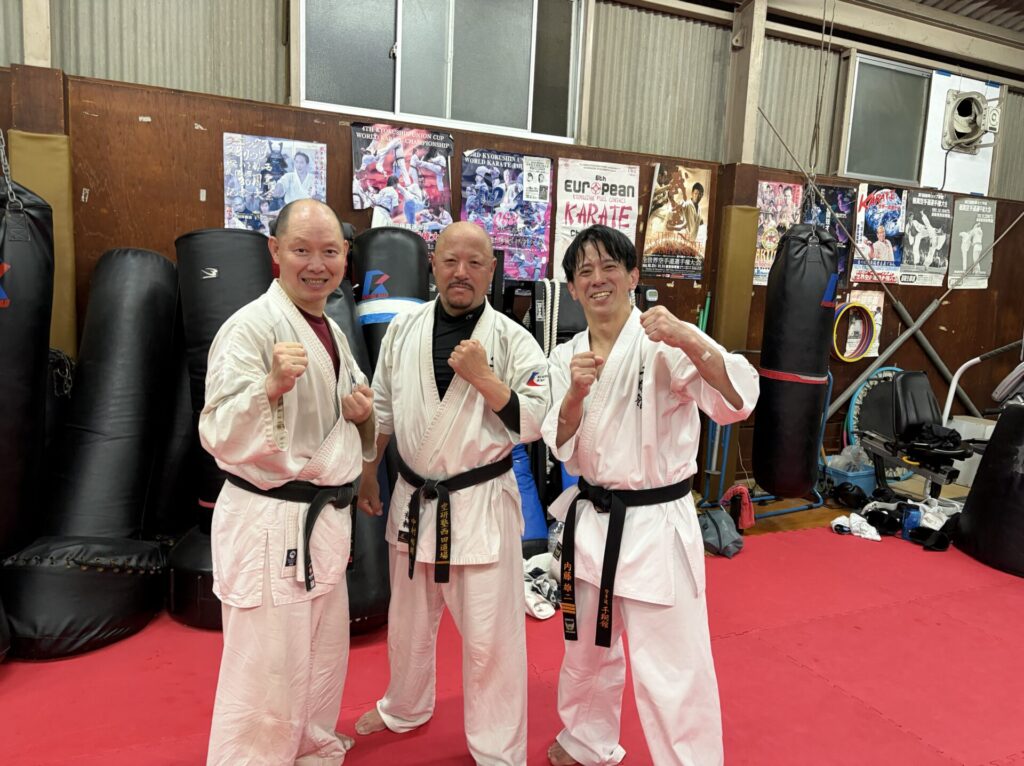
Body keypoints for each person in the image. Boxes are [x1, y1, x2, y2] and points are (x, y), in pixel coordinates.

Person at [542, 225, 758, 766]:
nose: (598, 279)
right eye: (585, 271)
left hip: (657, 524)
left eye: (609, 267)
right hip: (592, 521)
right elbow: (558, 442)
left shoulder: (664, 344)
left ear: (633, 276)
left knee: (673, 666)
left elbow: (735, 401)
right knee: (586, 650)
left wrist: (689, 337)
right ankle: (586, 740)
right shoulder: (565, 356)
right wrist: (575, 394)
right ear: (572, 288)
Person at [353, 221, 550, 765]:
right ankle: (405, 705)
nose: (461, 273)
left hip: (480, 504)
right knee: (408, 624)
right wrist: (369, 472)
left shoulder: (513, 340)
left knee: (492, 640)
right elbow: (384, 408)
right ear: (432, 265)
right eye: (450, 261)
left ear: (492, 270)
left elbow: (536, 422)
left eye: (475, 263)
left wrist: (484, 378)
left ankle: (498, 749)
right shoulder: (404, 330)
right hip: (414, 500)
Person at [200, 199, 377, 766]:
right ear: (275, 251)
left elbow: (351, 412)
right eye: (302, 250)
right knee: (267, 670)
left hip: (321, 520)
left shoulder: (331, 329)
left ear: (345, 257)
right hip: (270, 519)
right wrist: (269, 388)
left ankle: (309, 747)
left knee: (321, 655)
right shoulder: (248, 328)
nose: (316, 264)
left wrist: (360, 415)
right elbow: (217, 431)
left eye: (329, 252)